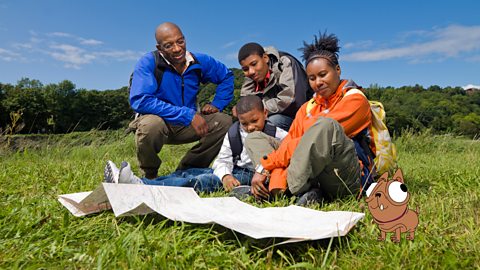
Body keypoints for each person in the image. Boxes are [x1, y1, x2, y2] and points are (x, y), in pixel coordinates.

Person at [245, 32, 375, 206]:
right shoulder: (307, 107)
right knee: (255, 137)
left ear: (338, 70)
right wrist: (274, 172)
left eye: (323, 74)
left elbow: (310, 139)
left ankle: (281, 190)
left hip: (343, 176)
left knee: (325, 127)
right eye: (312, 78)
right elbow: (289, 143)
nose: (318, 82)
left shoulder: (355, 100)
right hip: (310, 174)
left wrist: (266, 166)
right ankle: (289, 189)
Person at [105, 96, 288, 194]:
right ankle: (148, 181)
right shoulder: (233, 133)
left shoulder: (278, 134)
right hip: (234, 171)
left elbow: (289, 155)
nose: (250, 127)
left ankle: (141, 185)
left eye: (254, 121)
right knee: (191, 172)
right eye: (244, 123)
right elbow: (222, 160)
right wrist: (225, 176)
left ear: (265, 113)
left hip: (252, 176)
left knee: (199, 181)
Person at [128, 22, 234, 179]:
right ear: (160, 48)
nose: (177, 49)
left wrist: (217, 103)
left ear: (185, 39)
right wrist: (187, 115)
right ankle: (149, 175)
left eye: (180, 41)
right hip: (160, 122)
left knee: (224, 122)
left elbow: (226, 76)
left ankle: (187, 171)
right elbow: (140, 100)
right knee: (151, 125)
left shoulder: (200, 61)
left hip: (188, 125)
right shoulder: (148, 63)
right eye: (168, 45)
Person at [237, 42, 312, 131]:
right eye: (245, 69)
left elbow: (291, 100)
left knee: (272, 122)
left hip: (301, 117)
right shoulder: (251, 76)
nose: (251, 71)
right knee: (238, 127)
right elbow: (246, 105)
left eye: (254, 64)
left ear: (265, 58)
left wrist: (257, 109)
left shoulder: (284, 63)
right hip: (269, 114)